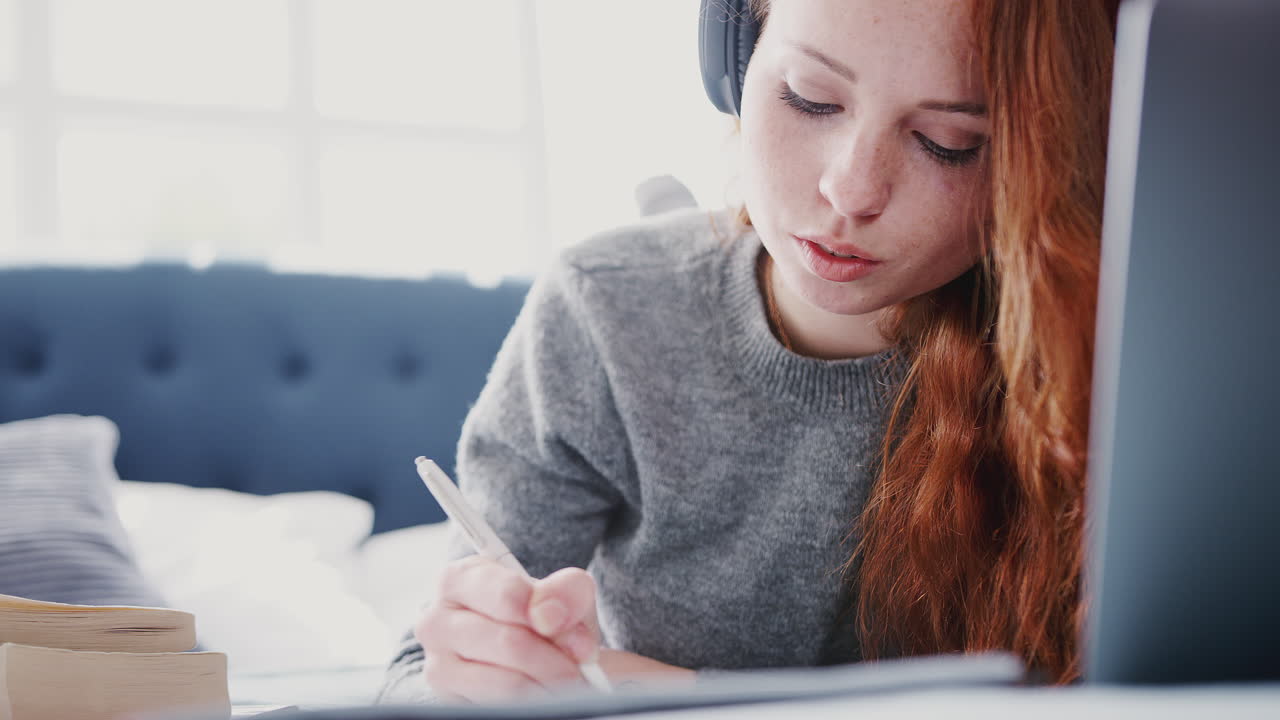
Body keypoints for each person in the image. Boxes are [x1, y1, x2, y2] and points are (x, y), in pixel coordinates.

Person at [378, 0, 1118, 703]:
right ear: (734, 60)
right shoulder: (605, 308)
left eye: (948, 143)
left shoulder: (1098, 354)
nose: (850, 190)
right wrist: (478, 670)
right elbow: (419, 677)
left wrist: (657, 687)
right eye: (810, 99)